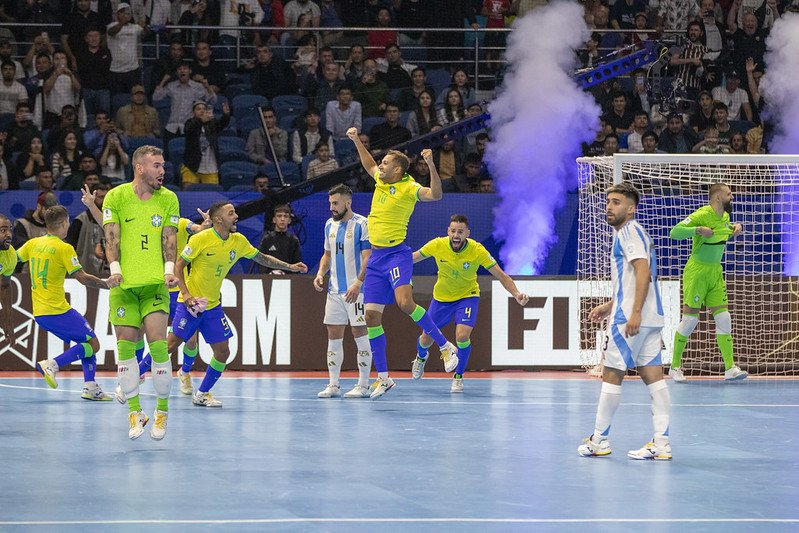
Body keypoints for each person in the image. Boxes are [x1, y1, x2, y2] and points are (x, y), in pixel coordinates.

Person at [346, 126, 458, 398]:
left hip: (397, 254)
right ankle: (383, 378)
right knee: (371, 317)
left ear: (397, 169)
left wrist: (431, 163)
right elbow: (368, 163)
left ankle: (445, 347)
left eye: (385, 163)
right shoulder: (381, 180)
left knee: (405, 303)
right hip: (376, 257)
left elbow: (436, 195)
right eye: (382, 162)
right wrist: (356, 140)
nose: (380, 166)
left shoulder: (409, 187)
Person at [174, 201, 306, 407]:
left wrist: (289, 266)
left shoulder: (238, 241)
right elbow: (179, 264)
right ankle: (135, 377)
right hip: (191, 302)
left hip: (212, 306)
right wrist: (186, 293)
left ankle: (202, 393)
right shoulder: (201, 238)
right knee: (173, 344)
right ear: (218, 219)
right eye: (231, 213)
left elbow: (262, 258)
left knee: (223, 351)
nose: (236, 216)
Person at [578, 182, 672, 461]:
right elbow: (634, 279)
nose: (609, 206)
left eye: (617, 202)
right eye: (608, 201)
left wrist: (633, 313)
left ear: (630, 209)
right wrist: (611, 305)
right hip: (651, 318)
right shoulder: (635, 232)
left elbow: (642, 272)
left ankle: (599, 440)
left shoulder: (628, 232)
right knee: (654, 378)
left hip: (631, 320)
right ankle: (662, 444)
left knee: (611, 374)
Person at [102, 145, 180, 440]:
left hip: (155, 284)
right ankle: (134, 413)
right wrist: (114, 270)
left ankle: (161, 412)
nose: (162, 171)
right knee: (125, 349)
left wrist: (169, 269)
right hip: (123, 286)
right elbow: (111, 237)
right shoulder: (116, 196)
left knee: (159, 346)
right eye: (157, 166)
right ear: (140, 168)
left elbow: (169, 238)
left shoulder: (169, 199)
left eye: (163, 166)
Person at [411, 215, 528, 392]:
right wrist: (390, 259)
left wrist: (516, 293)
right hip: (441, 299)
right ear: (448, 232)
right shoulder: (437, 245)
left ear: (467, 233)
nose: (456, 235)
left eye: (460, 231)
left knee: (462, 336)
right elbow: (412, 258)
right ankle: (421, 357)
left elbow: (501, 275)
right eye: (453, 231)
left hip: (467, 296)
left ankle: (458, 376)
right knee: (425, 339)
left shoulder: (477, 250)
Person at [17, 206, 118, 401]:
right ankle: (53, 364)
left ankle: (90, 387)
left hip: (40, 312)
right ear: (63, 223)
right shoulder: (64, 248)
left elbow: (13, 259)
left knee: (86, 342)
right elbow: (81, 277)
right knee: (94, 344)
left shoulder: (32, 244)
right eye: (68, 223)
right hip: (57, 310)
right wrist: (106, 283)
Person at [668, 183, 748, 382]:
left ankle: (730, 369)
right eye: (729, 193)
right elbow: (674, 232)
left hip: (715, 272)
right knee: (690, 321)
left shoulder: (726, 217)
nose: (733, 196)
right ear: (719, 197)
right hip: (697, 272)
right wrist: (697, 230)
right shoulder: (702, 214)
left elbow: (722, 231)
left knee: (724, 318)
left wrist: (734, 229)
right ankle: (674, 367)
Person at [313, 184, 373, 398]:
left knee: (360, 333)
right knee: (333, 336)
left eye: (335, 203)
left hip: (357, 291)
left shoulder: (362, 224)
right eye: (330, 203)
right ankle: (333, 384)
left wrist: (357, 283)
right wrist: (320, 273)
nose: (332, 207)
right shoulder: (329, 224)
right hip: (334, 292)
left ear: (348, 202)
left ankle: (364, 385)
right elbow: (327, 256)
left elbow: (368, 257)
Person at [258, 204, 303, 274]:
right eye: (279, 216)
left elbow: (297, 264)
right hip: (268, 280)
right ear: (274, 220)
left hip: (289, 280)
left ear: (289, 220)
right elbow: (261, 261)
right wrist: (270, 273)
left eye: (285, 216)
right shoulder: (267, 240)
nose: (282, 219)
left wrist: (285, 274)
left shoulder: (294, 241)